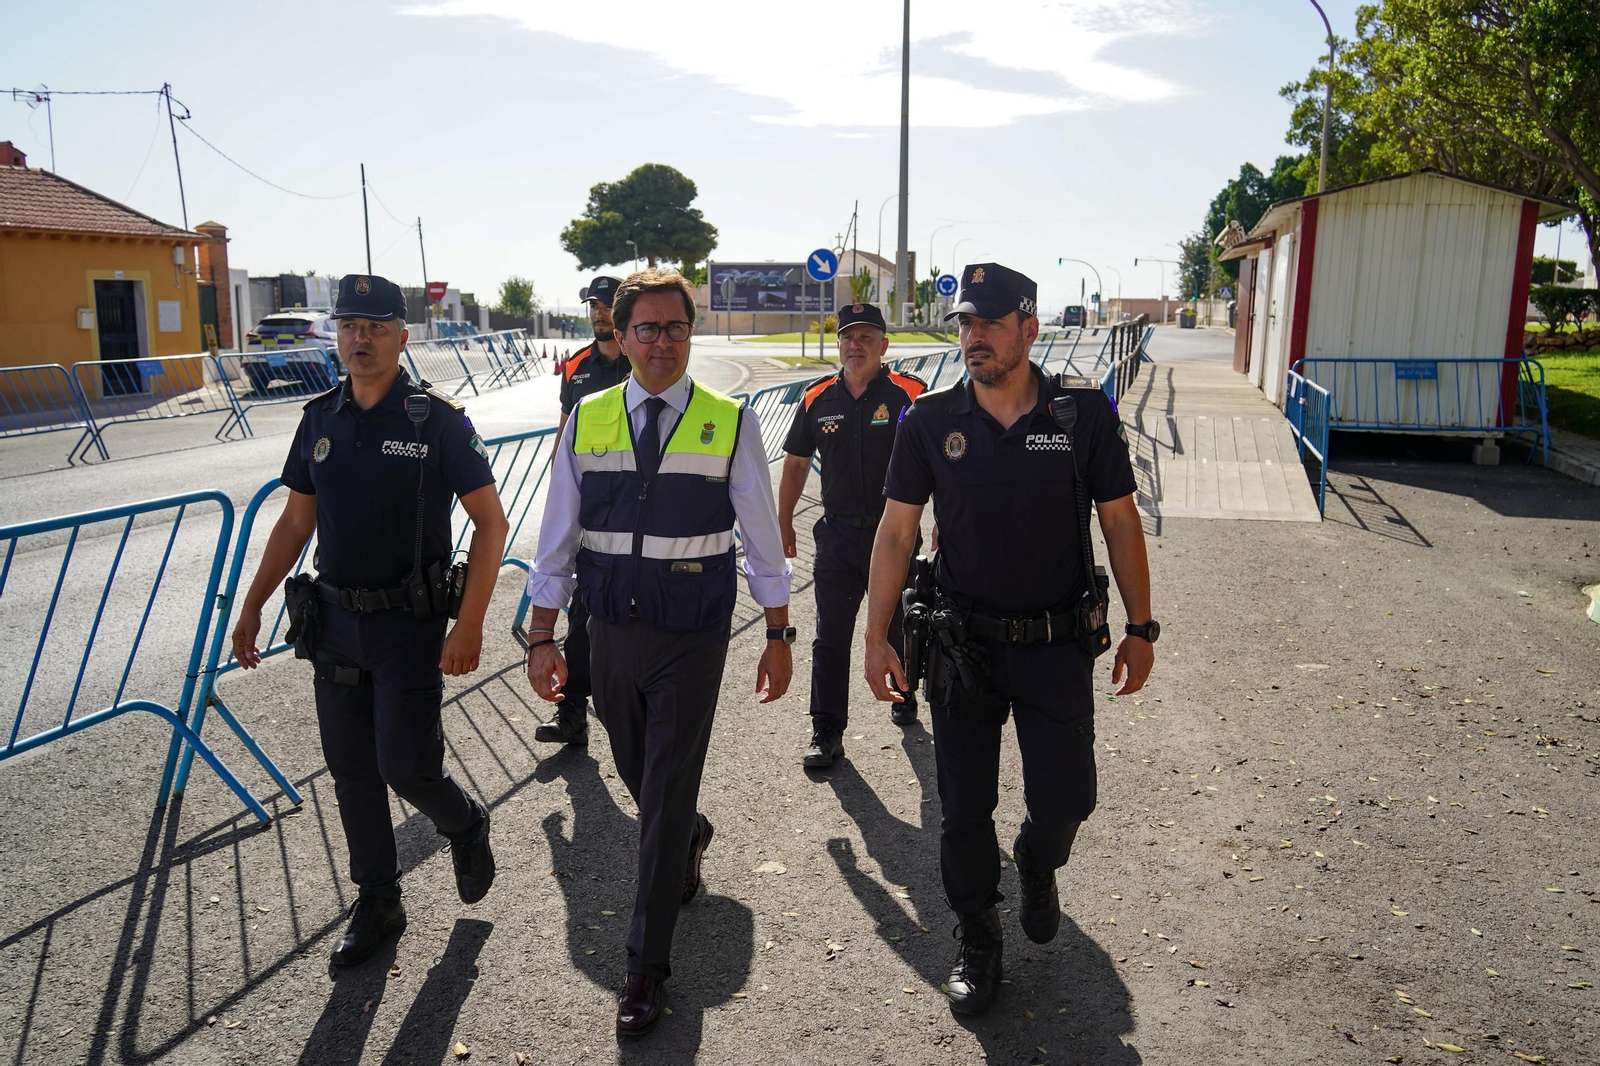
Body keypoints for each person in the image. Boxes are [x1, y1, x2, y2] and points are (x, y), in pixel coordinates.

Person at [862, 263, 1157, 1016]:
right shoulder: (929, 419)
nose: (974, 337)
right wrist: (876, 635)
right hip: (963, 647)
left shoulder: (1080, 416)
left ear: (1030, 328)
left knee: (1067, 799)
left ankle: (1036, 859)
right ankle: (979, 936)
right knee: (962, 808)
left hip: (1058, 643)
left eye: (990, 323)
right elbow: (896, 532)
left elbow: (1120, 521)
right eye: (965, 323)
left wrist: (1141, 626)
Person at [524, 268, 794, 1038]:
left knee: (667, 787)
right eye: (646, 328)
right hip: (607, 627)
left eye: (676, 328)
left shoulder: (729, 420)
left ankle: (645, 967)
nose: (662, 343)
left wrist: (778, 633)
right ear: (620, 334)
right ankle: (686, 834)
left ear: (690, 333)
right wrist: (543, 635)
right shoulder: (589, 417)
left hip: (691, 633)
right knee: (637, 765)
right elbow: (557, 537)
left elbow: (761, 537)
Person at [231, 274, 510, 967]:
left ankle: (465, 822)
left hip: (408, 626)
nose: (361, 338)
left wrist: (469, 624)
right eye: (350, 325)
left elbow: (490, 523)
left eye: (376, 327)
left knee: (406, 767)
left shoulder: (437, 421)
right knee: (351, 769)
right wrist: (252, 604)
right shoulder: (319, 418)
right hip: (333, 621)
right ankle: (378, 900)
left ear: (401, 337)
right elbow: (297, 519)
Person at [776, 302, 925, 769]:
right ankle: (826, 730)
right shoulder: (816, 398)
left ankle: (903, 693)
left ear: (884, 345)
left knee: (900, 622)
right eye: (847, 337)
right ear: (838, 344)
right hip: (838, 536)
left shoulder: (910, 395)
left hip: (896, 535)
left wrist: (944, 521)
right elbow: (796, 464)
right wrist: (783, 521)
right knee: (831, 634)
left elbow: (936, 459)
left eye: (866, 337)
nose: (855, 345)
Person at [534, 274, 632, 746]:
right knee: (580, 620)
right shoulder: (575, 367)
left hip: (636, 509)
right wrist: (558, 488)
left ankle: (634, 721)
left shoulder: (642, 358)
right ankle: (572, 714)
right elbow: (564, 433)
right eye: (593, 305)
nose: (598, 313)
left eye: (607, 304)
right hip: (591, 511)